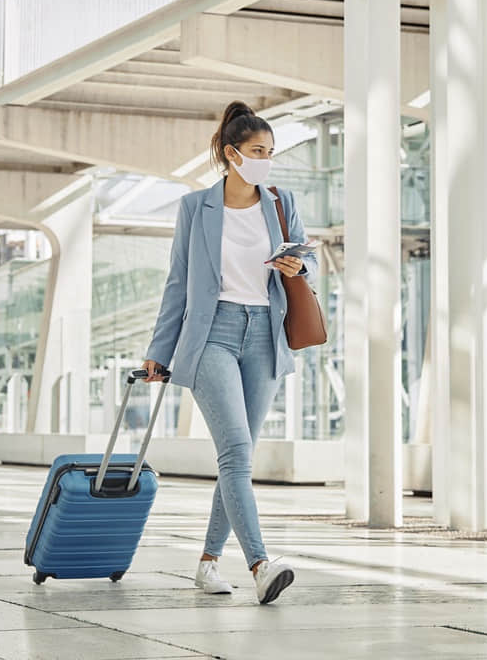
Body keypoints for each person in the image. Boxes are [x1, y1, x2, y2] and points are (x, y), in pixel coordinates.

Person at [141, 101, 317, 605]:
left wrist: (295, 269)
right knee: (237, 451)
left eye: (270, 152)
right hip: (212, 332)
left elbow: (306, 264)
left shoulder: (281, 202)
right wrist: (160, 350)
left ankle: (208, 563)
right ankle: (261, 564)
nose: (265, 160)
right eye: (257, 151)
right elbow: (179, 282)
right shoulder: (196, 208)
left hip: (264, 332)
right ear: (230, 153)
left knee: (235, 457)